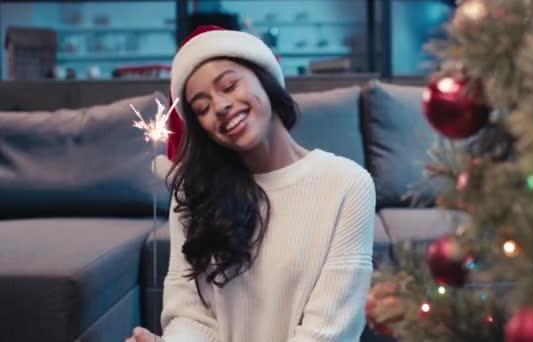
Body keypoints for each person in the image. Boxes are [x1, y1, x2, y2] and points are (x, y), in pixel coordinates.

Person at [126, 25, 376, 342]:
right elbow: (191, 316)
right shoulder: (195, 193)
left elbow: (327, 333)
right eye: (202, 108)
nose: (220, 106)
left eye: (229, 85)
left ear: (265, 81)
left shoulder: (347, 185)